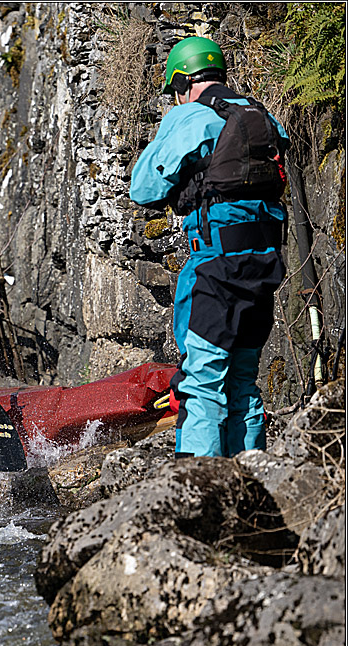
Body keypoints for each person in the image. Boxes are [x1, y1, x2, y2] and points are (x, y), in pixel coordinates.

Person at [130, 36, 289, 458]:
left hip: (216, 267)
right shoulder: (261, 115)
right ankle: (252, 478)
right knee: (242, 381)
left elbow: (143, 188)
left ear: (182, 81)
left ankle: (199, 490)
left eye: (175, 91)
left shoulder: (192, 117)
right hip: (264, 265)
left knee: (201, 382)